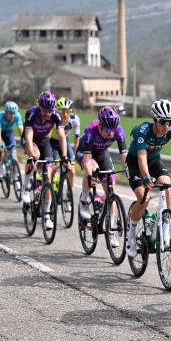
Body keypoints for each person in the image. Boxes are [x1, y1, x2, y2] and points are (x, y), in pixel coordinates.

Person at [124, 99, 171, 258]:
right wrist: (146, 177)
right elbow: (141, 156)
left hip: (154, 160)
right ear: (155, 120)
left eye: (170, 122)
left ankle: (166, 221)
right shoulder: (143, 130)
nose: (167, 126)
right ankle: (131, 234)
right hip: (135, 161)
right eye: (163, 122)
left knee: (166, 184)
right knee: (144, 198)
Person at [76, 106, 127, 247]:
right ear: (100, 125)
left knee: (111, 192)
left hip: (102, 153)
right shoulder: (90, 131)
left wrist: (127, 169)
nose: (111, 133)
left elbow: (124, 154)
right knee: (93, 170)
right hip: (85, 153)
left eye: (113, 129)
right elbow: (86, 159)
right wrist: (91, 175)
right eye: (107, 130)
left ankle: (111, 231)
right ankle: (84, 201)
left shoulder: (118, 131)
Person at [21, 91, 68, 231]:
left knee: (47, 176)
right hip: (31, 140)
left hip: (44, 141)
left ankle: (47, 216)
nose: (47, 114)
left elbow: (62, 137)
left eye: (50, 111)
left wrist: (64, 156)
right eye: (45, 110)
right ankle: (25, 187)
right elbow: (28, 136)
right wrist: (30, 155)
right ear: (39, 106)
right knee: (35, 156)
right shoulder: (31, 113)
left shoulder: (55, 115)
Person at [50, 97, 80, 191]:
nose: (65, 114)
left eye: (67, 111)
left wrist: (76, 155)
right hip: (52, 142)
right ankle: (50, 188)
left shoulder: (75, 120)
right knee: (51, 167)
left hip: (64, 142)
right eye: (62, 111)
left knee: (72, 169)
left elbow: (77, 138)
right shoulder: (53, 118)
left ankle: (69, 194)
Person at [0, 101, 23, 179]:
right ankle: (0, 164)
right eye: (11, 113)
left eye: (14, 113)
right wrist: (0, 143)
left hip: (8, 133)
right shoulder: (0, 116)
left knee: (13, 152)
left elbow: (20, 129)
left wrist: (24, 140)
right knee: (0, 149)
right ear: (6, 112)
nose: (13, 115)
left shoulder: (17, 116)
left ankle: (15, 174)